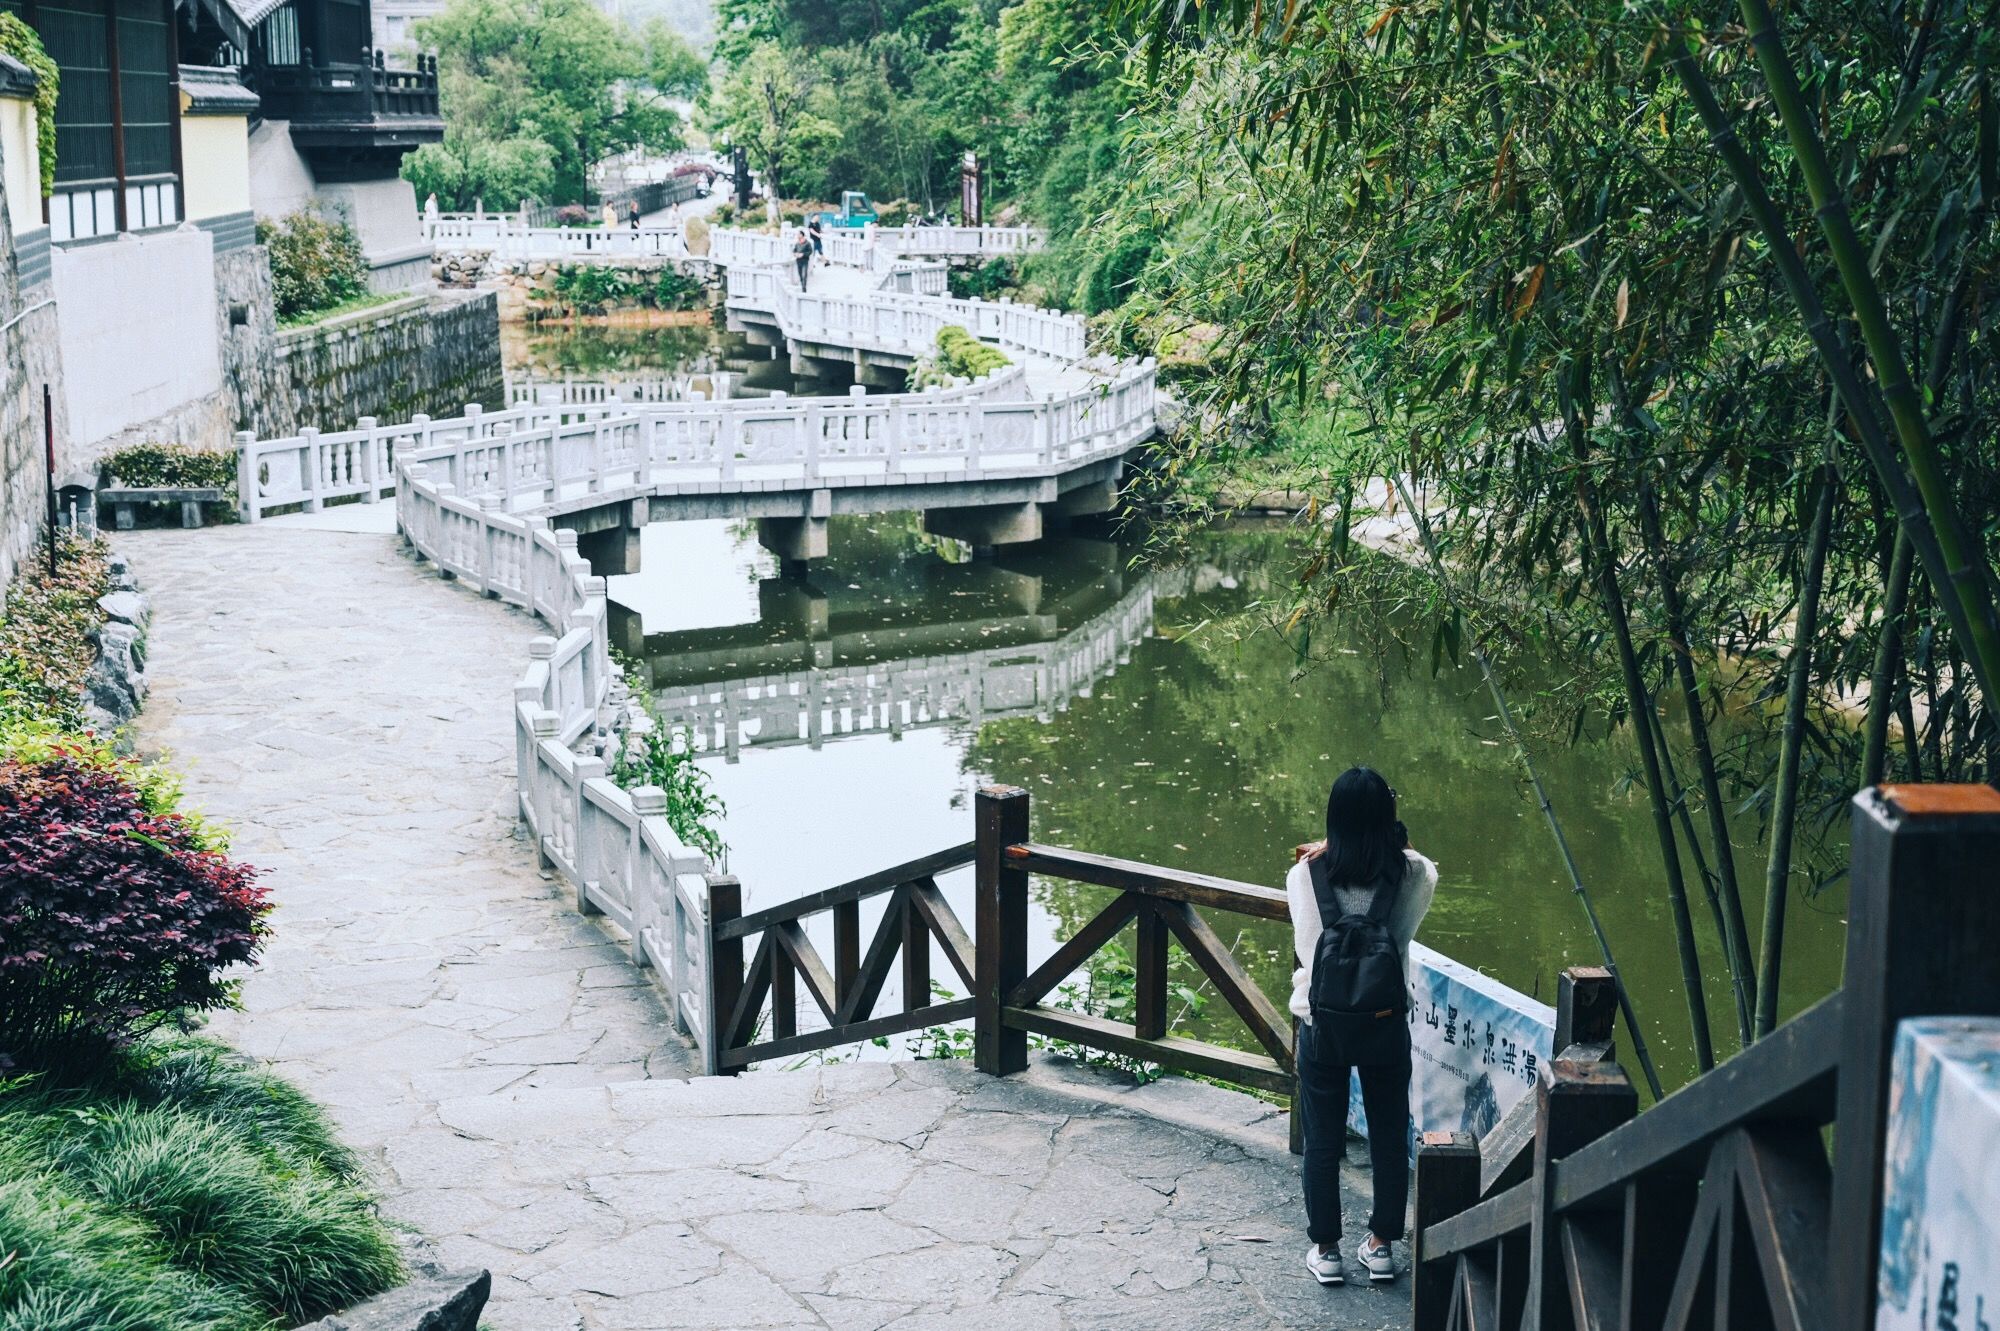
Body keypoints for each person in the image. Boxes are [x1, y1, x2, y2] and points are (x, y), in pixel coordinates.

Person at [1286, 766, 1436, 1288]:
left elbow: (1308, 950)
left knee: (1323, 1138)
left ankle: (1326, 1250)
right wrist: (1394, 840)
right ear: (1388, 819)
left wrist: (1329, 848)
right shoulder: (1414, 875)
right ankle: (1381, 1247)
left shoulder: (1304, 876)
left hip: (1321, 1021)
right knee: (1390, 1135)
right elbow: (1417, 866)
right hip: (1385, 1020)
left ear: (1333, 822)